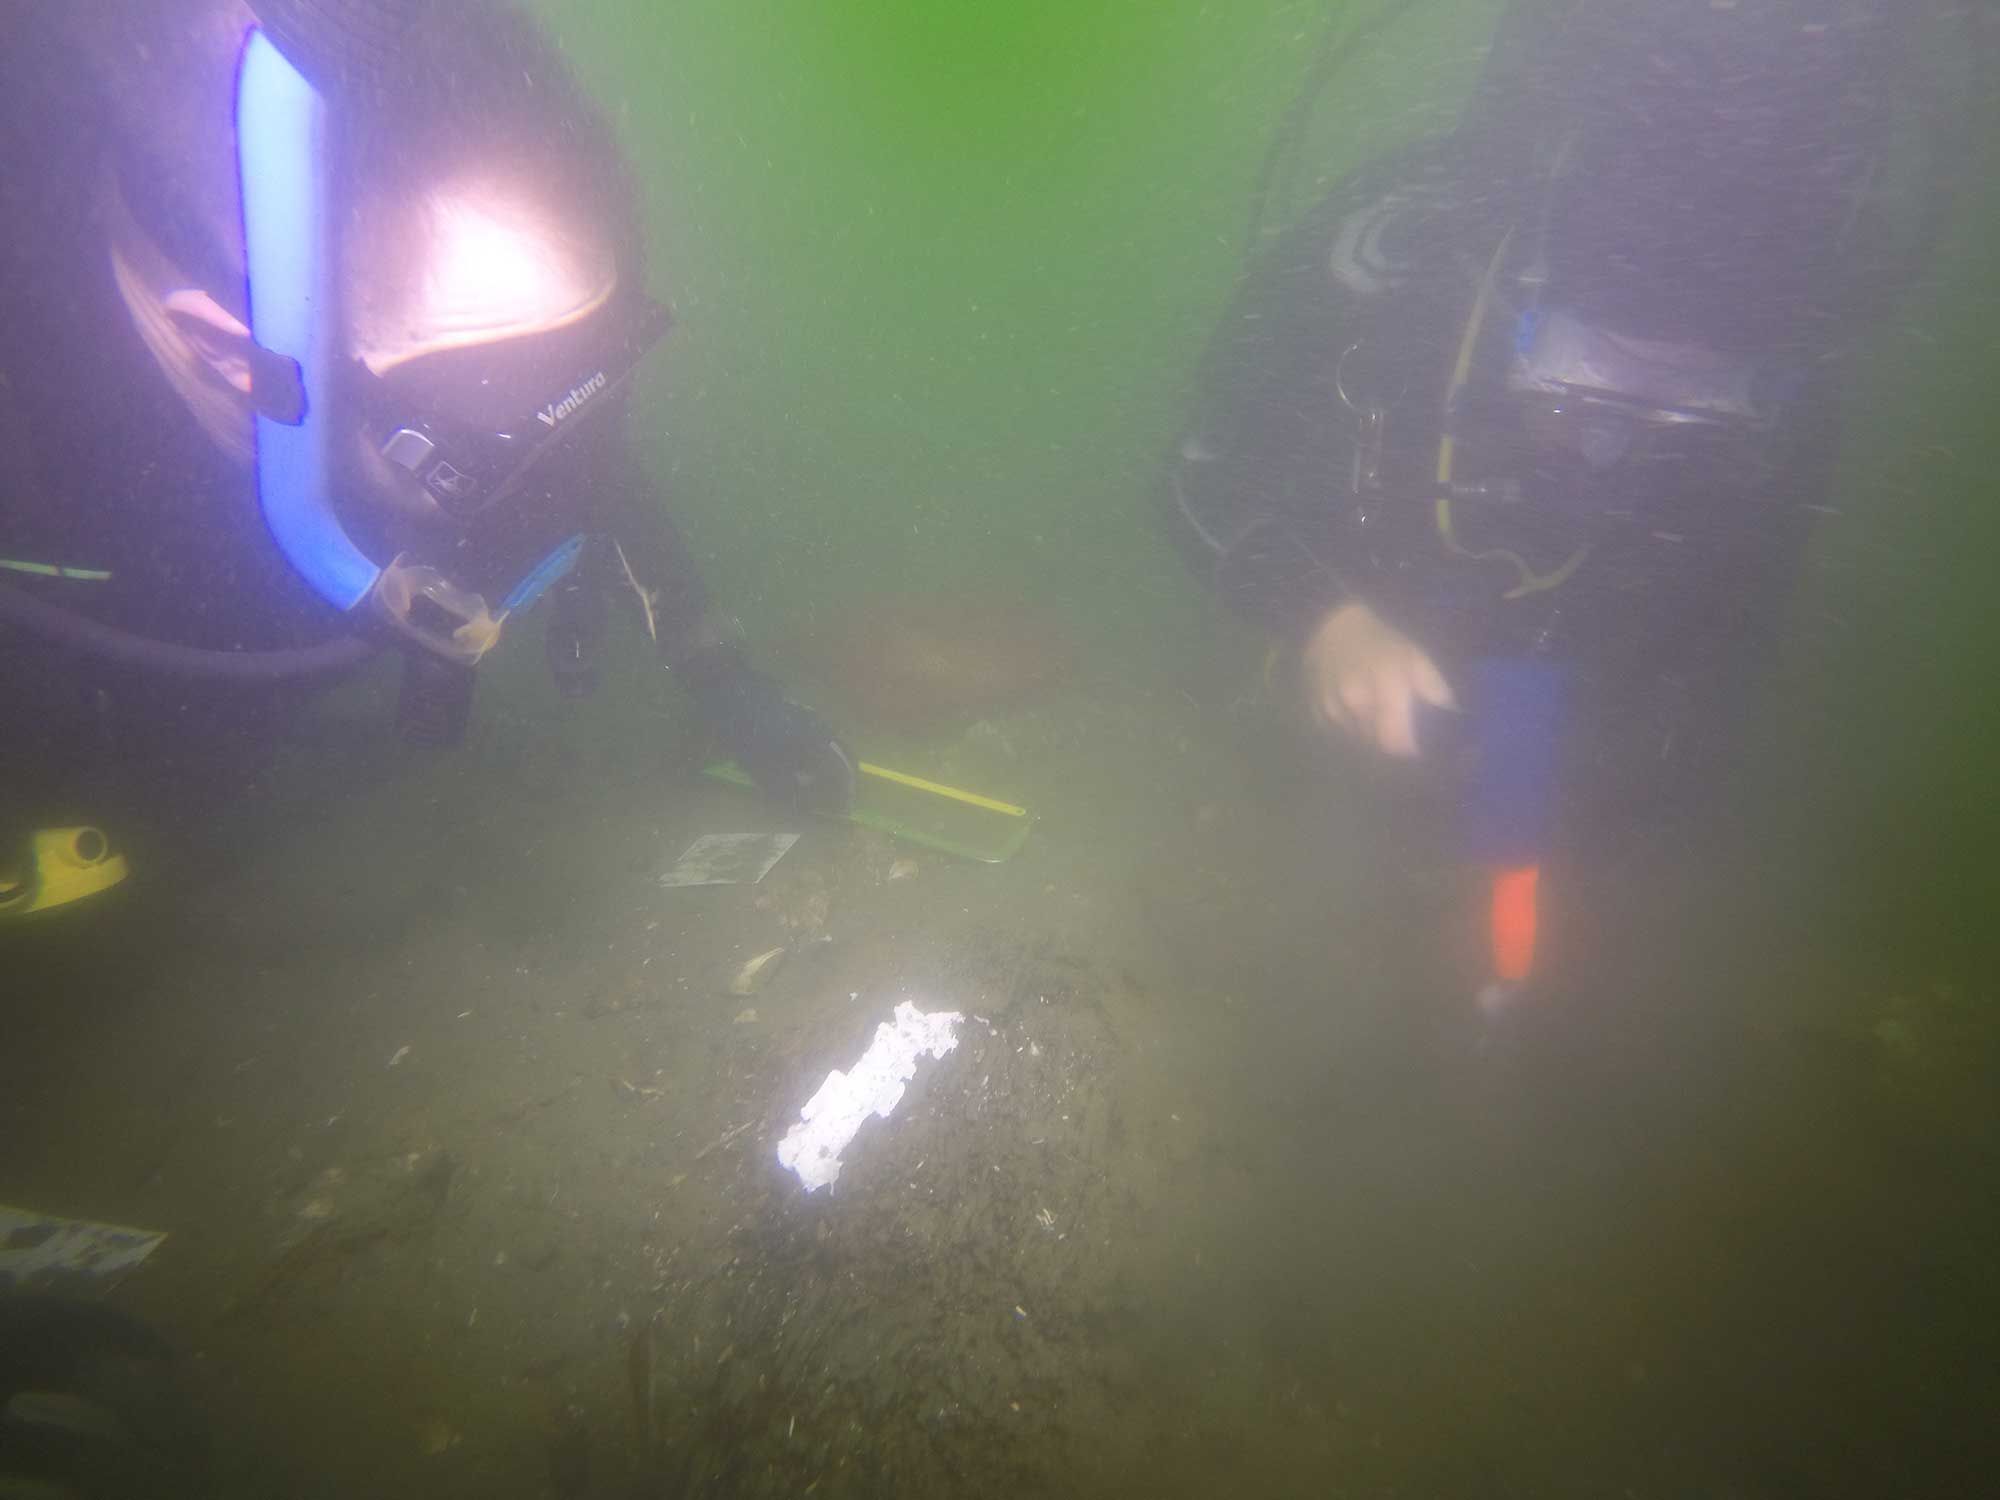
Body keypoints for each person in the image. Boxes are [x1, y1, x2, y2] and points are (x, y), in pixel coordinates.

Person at [1167, 0, 1969, 1000]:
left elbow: (1727, 659)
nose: (1618, 435)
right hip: (1353, 642)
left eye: (1693, 398)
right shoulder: (1410, 245)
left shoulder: (1779, 409)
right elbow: (1203, 467)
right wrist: (1322, 618)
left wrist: (1586, 813)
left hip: (1541, 735)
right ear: (1520, 296)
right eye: (1589, 366)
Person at [0, 0, 852, 916]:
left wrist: (720, 673)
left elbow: (572, 464)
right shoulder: (46, 500)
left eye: (599, 371)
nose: (565, 484)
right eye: (493, 442)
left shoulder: (422, 408)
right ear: (231, 361)